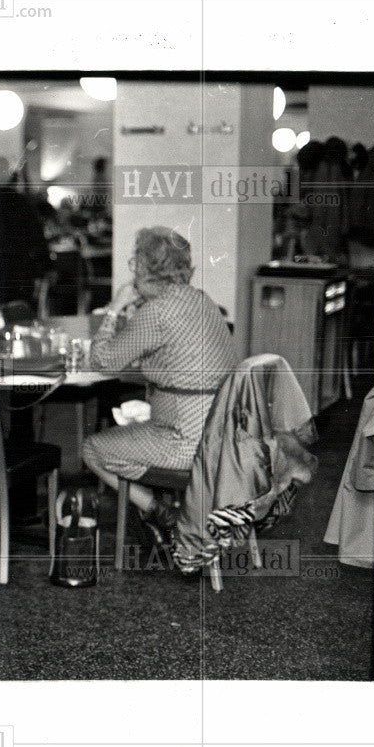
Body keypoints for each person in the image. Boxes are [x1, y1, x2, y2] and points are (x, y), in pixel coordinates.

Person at [80, 226, 239, 542]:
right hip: (224, 437)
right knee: (136, 422)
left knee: (92, 448)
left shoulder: (157, 311)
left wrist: (113, 309)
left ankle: (161, 512)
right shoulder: (200, 300)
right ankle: (164, 516)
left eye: (134, 263)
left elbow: (101, 361)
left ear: (143, 267)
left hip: (185, 443)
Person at [0, 156, 50, 339]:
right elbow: (38, 241)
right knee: (20, 327)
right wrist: (43, 269)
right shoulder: (23, 204)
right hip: (19, 276)